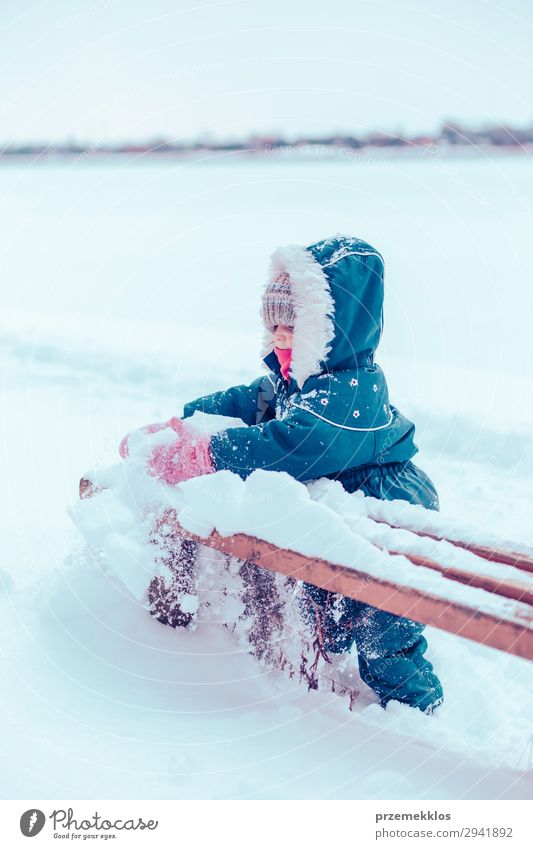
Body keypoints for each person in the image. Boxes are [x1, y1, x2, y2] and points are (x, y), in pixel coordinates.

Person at [120, 234, 444, 714]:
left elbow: (294, 445)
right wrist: (184, 424)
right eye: (273, 324)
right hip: (341, 513)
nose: (280, 337)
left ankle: (418, 707)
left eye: (294, 325)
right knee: (327, 603)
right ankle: (333, 655)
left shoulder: (350, 392)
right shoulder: (297, 377)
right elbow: (250, 400)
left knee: (383, 628)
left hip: (389, 511)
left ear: (333, 330)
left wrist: (206, 452)